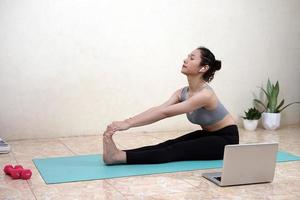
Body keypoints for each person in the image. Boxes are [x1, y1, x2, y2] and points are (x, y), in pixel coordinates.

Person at [102, 46, 239, 165]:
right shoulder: (182, 92)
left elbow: (165, 113)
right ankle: (117, 154)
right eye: (187, 57)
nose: (185, 60)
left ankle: (118, 157)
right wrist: (128, 122)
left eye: (191, 58)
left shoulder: (205, 95)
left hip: (226, 140)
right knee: (170, 144)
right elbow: (160, 109)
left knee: (175, 150)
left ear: (204, 67)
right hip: (209, 135)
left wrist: (127, 124)